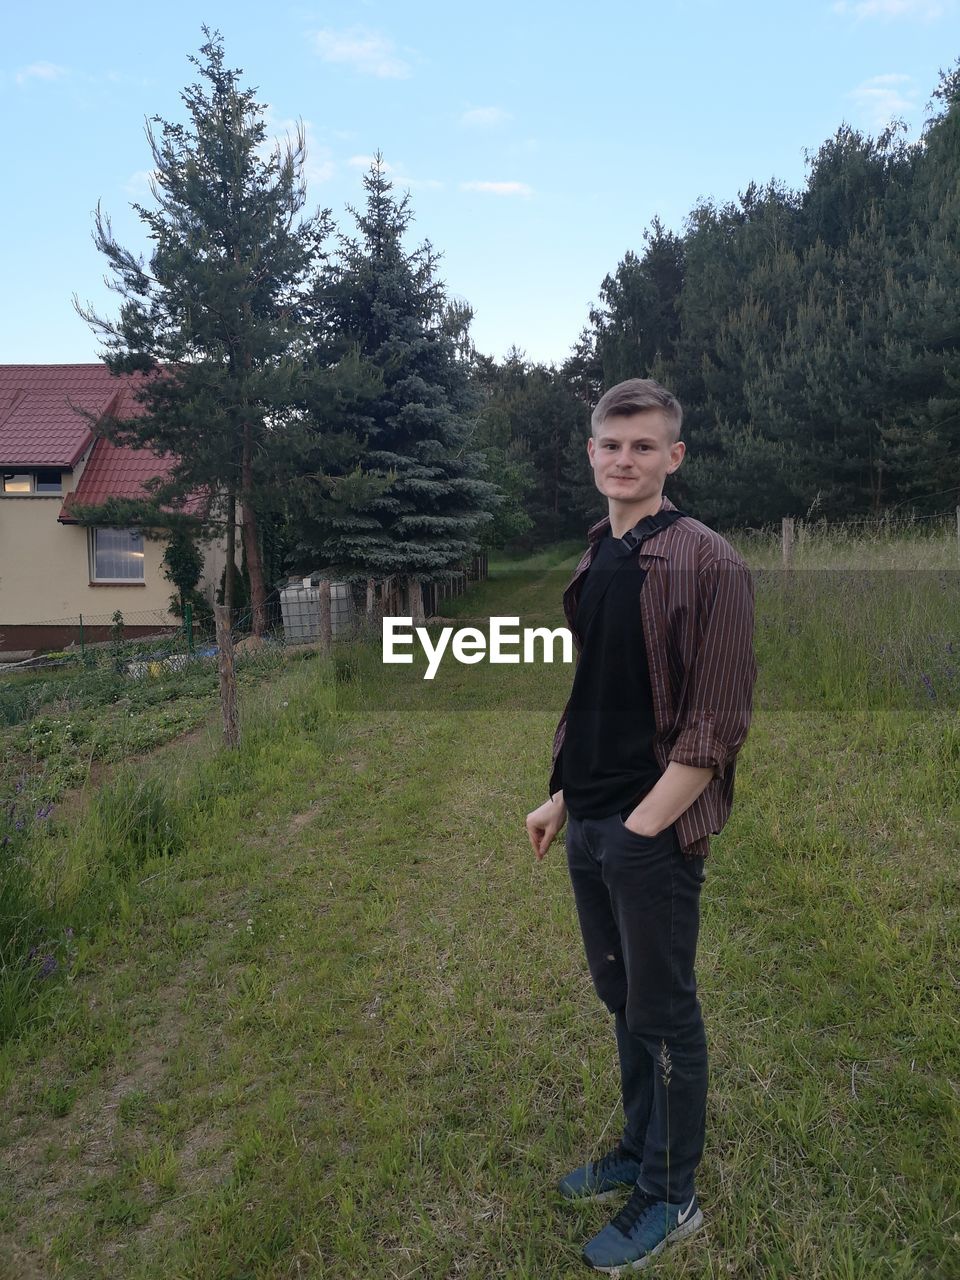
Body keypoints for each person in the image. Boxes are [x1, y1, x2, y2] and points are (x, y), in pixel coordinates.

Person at [525, 377, 756, 1272]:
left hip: (651, 833)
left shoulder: (709, 561)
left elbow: (717, 721)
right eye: (611, 446)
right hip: (592, 819)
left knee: (665, 1010)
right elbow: (595, 695)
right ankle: (635, 1149)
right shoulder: (598, 557)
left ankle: (671, 1191)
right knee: (622, 997)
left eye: (644, 446)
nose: (626, 460)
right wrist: (563, 798)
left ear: (674, 457)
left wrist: (640, 829)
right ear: (592, 454)